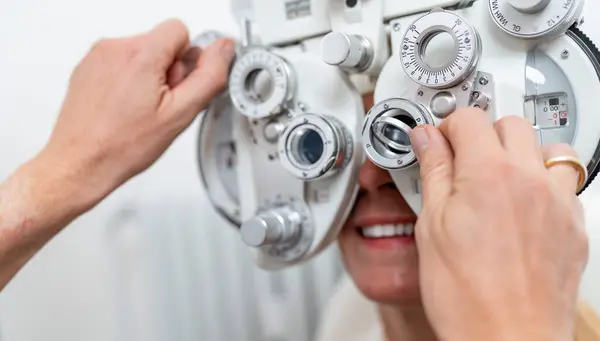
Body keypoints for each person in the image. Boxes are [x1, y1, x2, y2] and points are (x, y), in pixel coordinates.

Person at [0, 19, 591, 341]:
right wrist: (62, 174)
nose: (371, 173)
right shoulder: (348, 322)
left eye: (415, 131)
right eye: (329, 134)